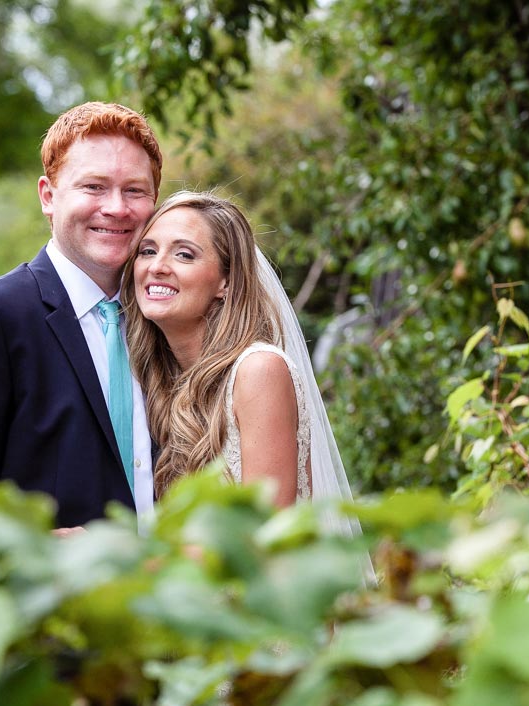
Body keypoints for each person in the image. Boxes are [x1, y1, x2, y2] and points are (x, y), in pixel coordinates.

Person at [0, 101, 162, 528]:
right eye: (94, 187)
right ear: (49, 197)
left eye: (135, 190)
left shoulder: (165, 318)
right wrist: (41, 551)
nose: (117, 208)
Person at [121, 191, 357, 519]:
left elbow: (262, 534)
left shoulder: (259, 370)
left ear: (226, 282)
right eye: (148, 251)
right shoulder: (162, 384)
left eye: (184, 255)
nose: (157, 266)